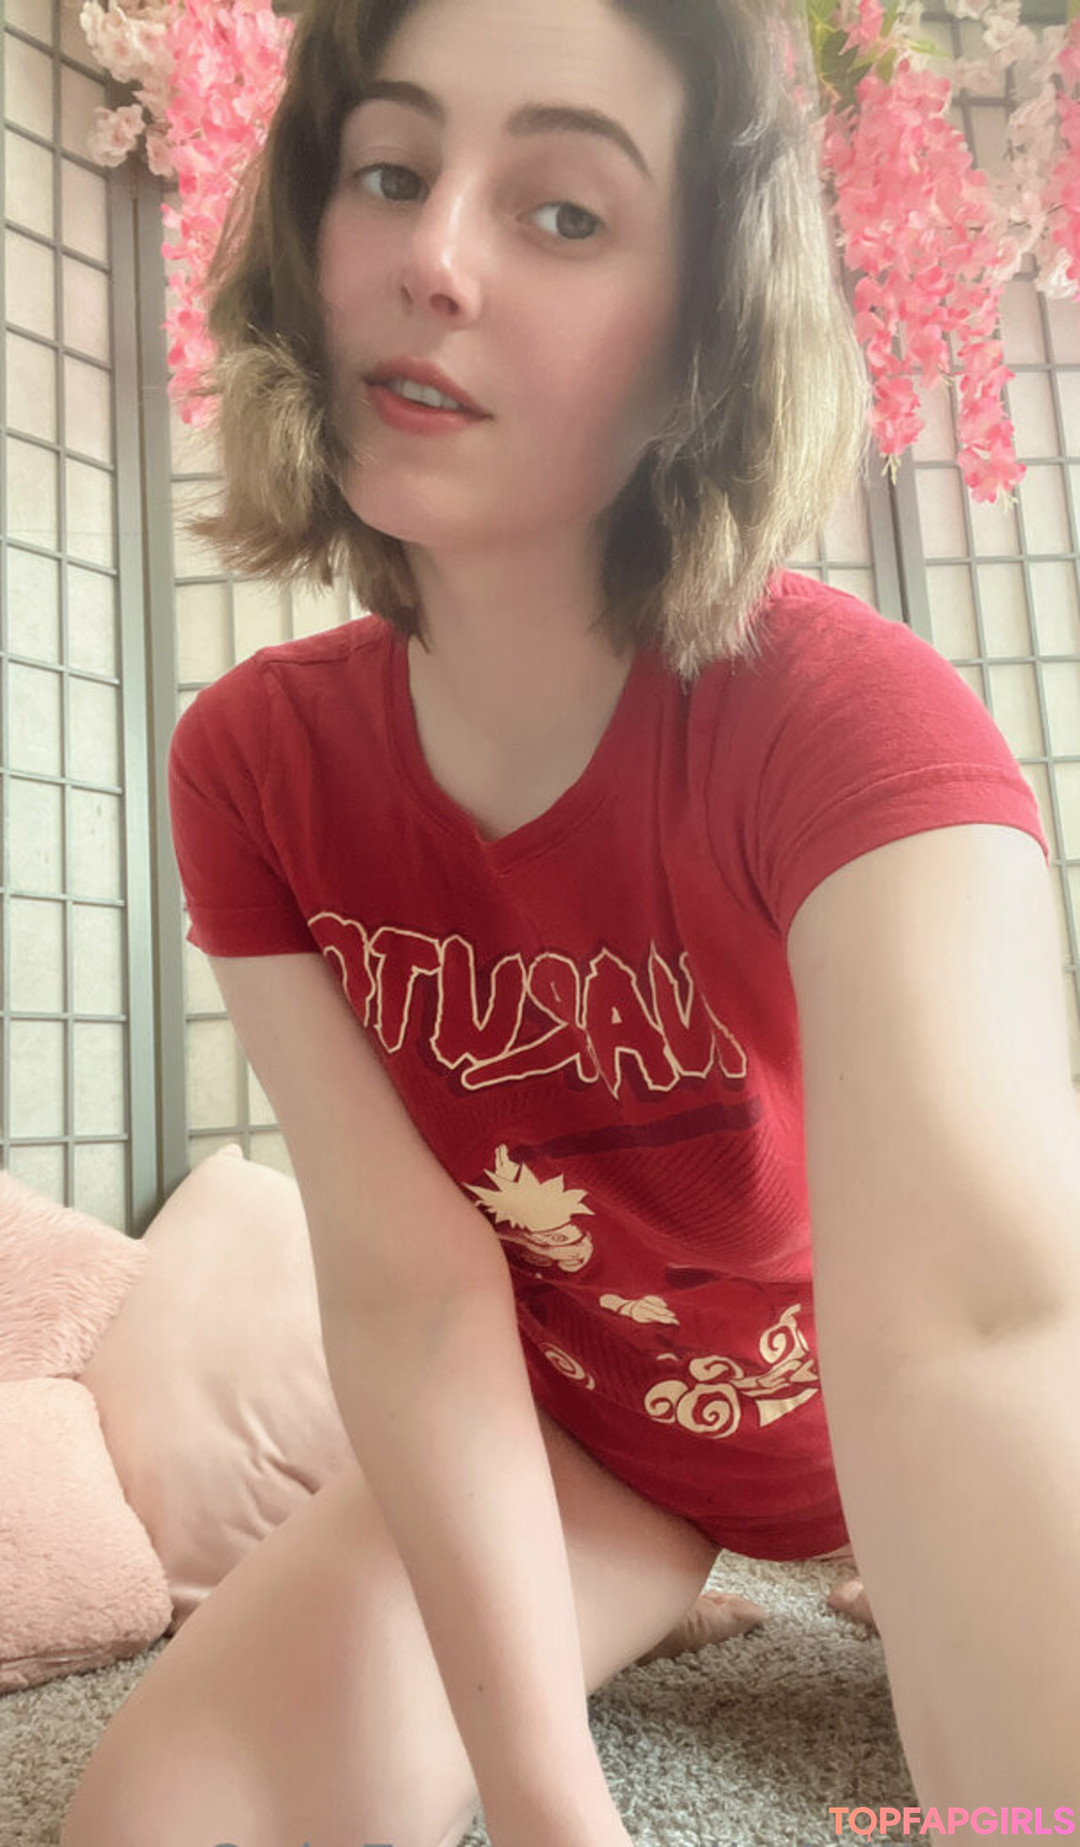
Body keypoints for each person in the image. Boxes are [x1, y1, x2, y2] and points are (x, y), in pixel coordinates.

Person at [62, 1, 1076, 1844]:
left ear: (700, 333)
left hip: (905, 1420)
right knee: (167, 1818)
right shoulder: (251, 769)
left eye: (564, 212)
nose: (433, 262)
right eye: (391, 172)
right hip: (608, 1454)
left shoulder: (856, 723)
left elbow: (983, 1333)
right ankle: (675, 1591)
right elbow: (410, 1288)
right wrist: (552, 1811)